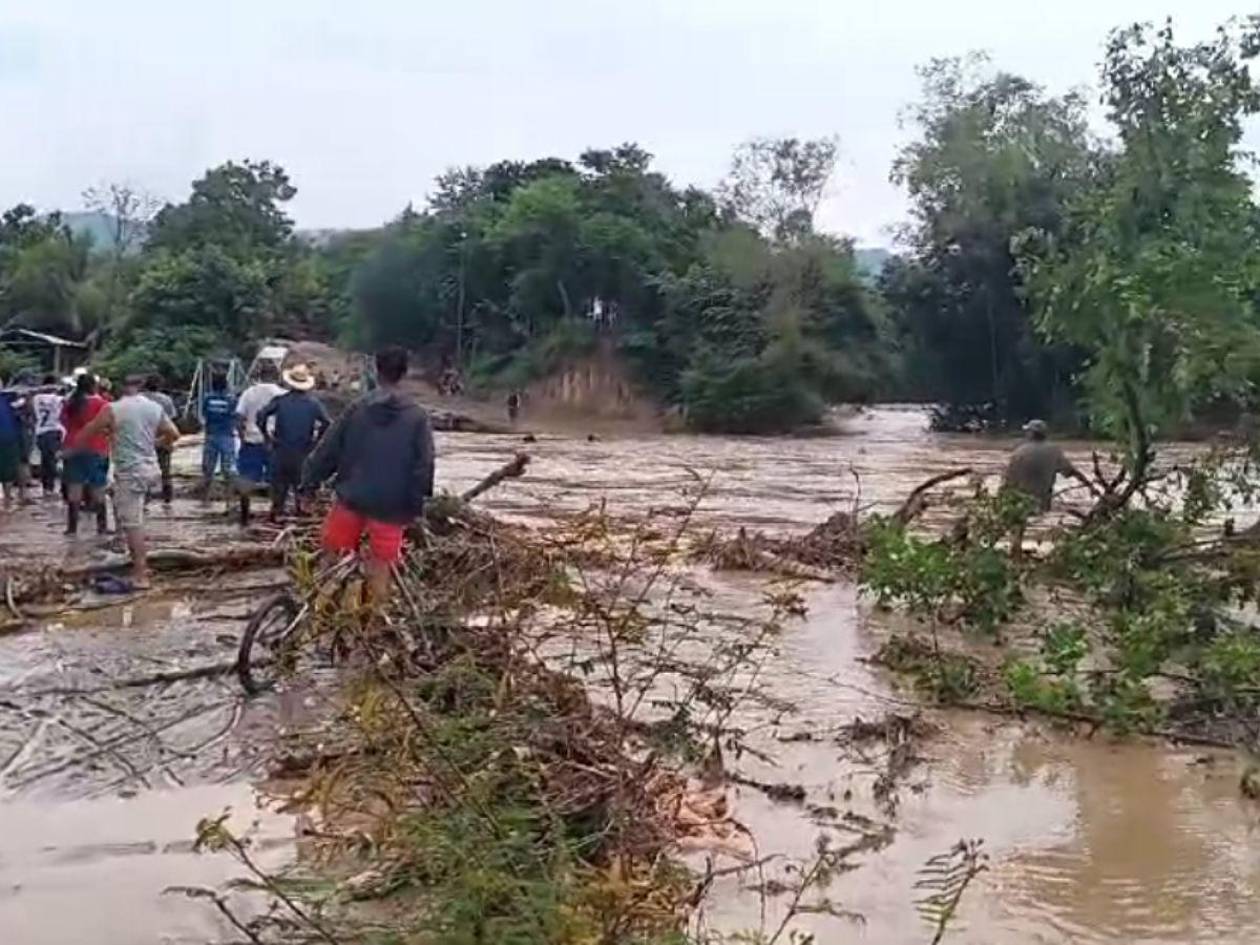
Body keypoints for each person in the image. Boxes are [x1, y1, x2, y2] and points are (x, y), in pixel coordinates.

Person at [304, 346, 435, 601]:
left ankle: (317, 616)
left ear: (376, 370)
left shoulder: (357, 409)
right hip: (392, 505)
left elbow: (328, 449)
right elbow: (425, 465)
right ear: (404, 373)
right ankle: (373, 628)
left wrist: (309, 483)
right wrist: (417, 506)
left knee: (333, 558)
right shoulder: (418, 417)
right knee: (381, 566)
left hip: (352, 495)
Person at [74, 375, 179, 588]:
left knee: (132, 524)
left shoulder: (113, 409)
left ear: (121, 389)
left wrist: (77, 445)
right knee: (136, 518)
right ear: (140, 389)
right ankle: (138, 562)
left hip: (130, 472)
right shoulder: (154, 408)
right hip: (151, 470)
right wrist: (155, 442)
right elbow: (174, 434)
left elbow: (86, 434)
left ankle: (141, 574)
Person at [1002, 419, 1092, 558]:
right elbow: (1070, 471)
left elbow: (1008, 479)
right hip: (1043, 496)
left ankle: (1016, 547)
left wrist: (1002, 495)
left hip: (1020, 496)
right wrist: (1090, 486)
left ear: (1031, 434)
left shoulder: (1019, 452)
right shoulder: (1054, 451)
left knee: (1018, 521)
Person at [256, 363, 330, 522]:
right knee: (300, 491)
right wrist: (316, 443)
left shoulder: (280, 401)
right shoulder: (313, 404)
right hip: (303, 452)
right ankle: (298, 521)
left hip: (281, 450)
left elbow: (261, 416)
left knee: (278, 495)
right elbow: (327, 423)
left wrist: (267, 437)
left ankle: (276, 519)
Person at [61, 374, 112, 535]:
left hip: (72, 447)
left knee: (74, 486)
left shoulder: (70, 403)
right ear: (94, 386)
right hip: (96, 447)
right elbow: (110, 424)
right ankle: (102, 528)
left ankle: (71, 528)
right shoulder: (102, 404)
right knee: (98, 486)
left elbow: (63, 423)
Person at [234, 364, 284, 525]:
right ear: (277, 376)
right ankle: (273, 516)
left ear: (260, 375)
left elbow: (239, 418)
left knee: (246, 480)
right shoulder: (282, 394)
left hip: (251, 441)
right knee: (276, 481)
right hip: (274, 443)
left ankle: (244, 516)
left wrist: (242, 437)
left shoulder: (249, 393)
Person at [199, 374, 236, 497]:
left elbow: (203, 416)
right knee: (228, 468)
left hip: (210, 435)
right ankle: (229, 496)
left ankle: (205, 495)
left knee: (208, 468)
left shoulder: (207, 399)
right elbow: (235, 416)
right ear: (226, 385)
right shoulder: (231, 399)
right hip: (227, 435)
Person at [143, 375, 177, 504]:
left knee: (144, 467)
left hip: (144, 438)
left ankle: (145, 496)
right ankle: (167, 497)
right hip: (163, 437)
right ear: (159, 386)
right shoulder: (166, 400)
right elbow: (172, 420)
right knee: (165, 468)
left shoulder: (141, 399)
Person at [30, 375, 65, 496]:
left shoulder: (35, 398)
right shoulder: (59, 399)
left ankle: (46, 486)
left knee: (45, 459)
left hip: (40, 431)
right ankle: (51, 487)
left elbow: (32, 415)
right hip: (54, 430)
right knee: (52, 460)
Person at [0, 387, 22, 509]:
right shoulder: (7, 399)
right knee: (7, 470)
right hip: (8, 437)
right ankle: (7, 501)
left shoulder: (7, 398)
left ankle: (8, 500)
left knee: (7, 470)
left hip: (8, 437)